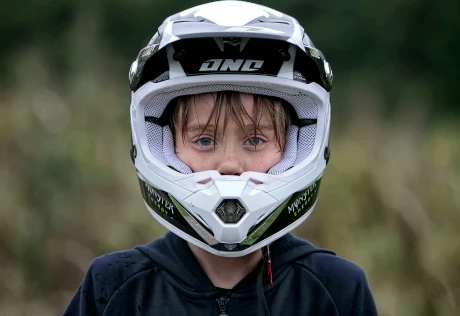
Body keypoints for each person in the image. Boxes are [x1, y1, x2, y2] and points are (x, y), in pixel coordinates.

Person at [63, 1, 378, 315]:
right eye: (204, 139)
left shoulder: (336, 289)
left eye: (255, 139)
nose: (230, 164)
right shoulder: (114, 286)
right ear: (164, 144)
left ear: (297, 144)